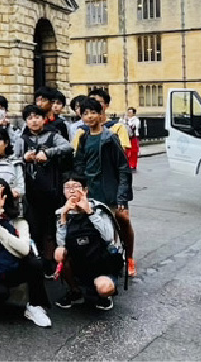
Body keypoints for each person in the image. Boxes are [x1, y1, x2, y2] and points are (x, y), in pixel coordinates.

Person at [0, 179, 51, 327]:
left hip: (12, 266)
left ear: (6, 197)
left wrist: (0, 231)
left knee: (34, 263)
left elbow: (24, 249)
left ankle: (35, 306)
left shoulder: (18, 220)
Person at [72, 97, 135, 277]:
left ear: (101, 114)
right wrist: (80, 187)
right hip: (91, 191)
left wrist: (122, 197)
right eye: (85, 113)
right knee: (98, 228)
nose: (90, 117)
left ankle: (128, 257)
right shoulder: (83, 138)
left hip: (110, 191)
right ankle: (103, 264)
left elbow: (123, 168)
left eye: (93, 112)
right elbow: (79, 164)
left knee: (121, 222)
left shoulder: (110, 138)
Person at [15, 105, 72, 276]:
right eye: (30, 118)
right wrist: (24, 158)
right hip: (30, 193)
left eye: (37, 117)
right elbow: (13, 160)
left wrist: (48, 153)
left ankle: (49, 263)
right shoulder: (21, 140)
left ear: (43, 119)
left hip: (51, 191)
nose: (34, 121)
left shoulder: (53, 136)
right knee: (33, 228)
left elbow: (68, 147)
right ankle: (35, 262)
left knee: (50, 229)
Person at [55, 175, 123, 311]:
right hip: (79, 260)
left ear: (85, 190)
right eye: (67, 187)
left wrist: (90, 213)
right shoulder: (61, 212)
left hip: (101, 262)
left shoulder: (99, 208)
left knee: (104, 288)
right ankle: (75, 290)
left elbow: (109, 237)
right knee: (59, 253)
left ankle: (104, 295)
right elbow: (61, 244)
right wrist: (63, 217)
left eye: (76, 186)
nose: (72, 190)